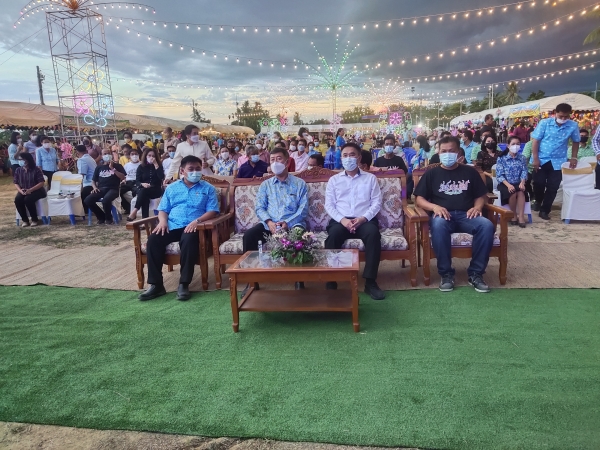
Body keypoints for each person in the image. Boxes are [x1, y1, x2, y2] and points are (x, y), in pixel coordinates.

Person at [414, 136, 494, 293]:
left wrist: (477, 207)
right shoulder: (431, 174)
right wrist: (434, 207)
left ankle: (476, 274)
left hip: (467, 215)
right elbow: (419, 199)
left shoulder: (470, 172)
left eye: (451, 151)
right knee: (438, 225)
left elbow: (481, 196)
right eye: (443, 151)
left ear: (458, 152)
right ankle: (446, 274)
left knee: (486, 225)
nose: (447, 154)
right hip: (443, 216)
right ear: (438, 152)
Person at [139, 155, 220, 302]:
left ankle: (184, 283)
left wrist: (198, 221)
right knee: (153, 239)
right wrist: (162, 222)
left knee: (188, 240)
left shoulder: (208, 188)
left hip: (194, 227)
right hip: (172, 225)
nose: (195, 172)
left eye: (198, 169)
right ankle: (156, 285)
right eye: (191, 169)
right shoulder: (172, 188)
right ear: (182, 171)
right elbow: (163, 209)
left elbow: (213, 210)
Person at [324, 143, 385, 301]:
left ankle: (370, 282)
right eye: (345, 155)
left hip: (364, 220)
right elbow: (329, 205)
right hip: (341, 220)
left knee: (373, 235)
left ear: (359, 157)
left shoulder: (370, 178)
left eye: (352, 155)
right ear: (341, 158)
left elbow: (376, 203)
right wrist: (343, 220)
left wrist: (363, 218)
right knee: (333, 236)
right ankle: (331, 281)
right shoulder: (334, 180)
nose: (348, 158)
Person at [242, 147, 309, 289]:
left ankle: (299, 280)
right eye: (272, 160)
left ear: (287, 162)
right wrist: (269, 222)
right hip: (269, 225)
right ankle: (251, 281)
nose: (275, 162)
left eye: (279, 159)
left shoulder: (299, 184)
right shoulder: (265, 185)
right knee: (249, 236)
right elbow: (259, 207)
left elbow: (303, 210)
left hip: (292, 224)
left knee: (298, 235)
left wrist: (287, 223)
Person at [530, 103, 580, 220]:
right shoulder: (545, 123)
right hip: (541, 159)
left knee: (553, 187)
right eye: (561, 116)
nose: (563, 118)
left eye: (566, 116)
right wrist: (536, 159)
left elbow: (576, 141)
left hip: (558, 161)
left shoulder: (573, 125)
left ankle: (545, 210)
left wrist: (574, 157)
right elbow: (536, 141)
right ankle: (538, 200)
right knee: (538, 183)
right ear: (555, 113)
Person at [85, 148, 126, 225]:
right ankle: (101, 217)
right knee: (88, 200)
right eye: (105, 154)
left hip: (113, 189)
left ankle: (109, 219)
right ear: (101, 156)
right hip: (101, 189)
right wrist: (94, 188)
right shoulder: (99, 167)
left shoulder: (118, 166)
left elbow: (123, 177)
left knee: (106, 200)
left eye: (108, 153)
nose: (107, 155)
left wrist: (113, 169)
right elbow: (93, 181)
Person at [496, 136, 529, 227]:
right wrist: (508, 185)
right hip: (505, 183)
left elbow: (524, 171)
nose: (516, 146)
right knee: (512, 192)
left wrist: (522, 182)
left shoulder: (522, 158)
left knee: (521, 192)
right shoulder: (501, 158)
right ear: (508, 145)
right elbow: (499, 175)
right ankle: (513, 215)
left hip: (518, 182)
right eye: (513, 144)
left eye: (518, 144)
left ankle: (521, 217)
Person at [127, 147, 164, 220]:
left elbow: (161, 177)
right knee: (145, 196)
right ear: (145, 156)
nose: (151, 157)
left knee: (143, 192)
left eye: (153, 156)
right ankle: (145, 220)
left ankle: (135, 211)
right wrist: (142, 184)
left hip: (155, 190)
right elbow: (137, 181)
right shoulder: (141, 167)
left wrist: (156, 164)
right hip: (144, 188)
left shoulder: (159, 166)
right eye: (149, 155)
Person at [13, 152, 47, 227]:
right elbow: (16, 182)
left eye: (22, 159)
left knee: (28, 199)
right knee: (18, 200)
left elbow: (41, 183)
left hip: (37, 190)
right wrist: (20, 190)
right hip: (23, 190)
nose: (21, 161)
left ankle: (34, 219)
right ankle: (25, 220)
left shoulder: (36, 169)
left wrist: (30, 190)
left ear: (27, 160)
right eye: (19, 160)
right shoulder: (18, 170)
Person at [121, 147, 142, 215]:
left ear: (139, 155)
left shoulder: (142, 165)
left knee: (137, 192)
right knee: (118, 192)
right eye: (132, 154)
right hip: (128, 182)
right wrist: (123, 180)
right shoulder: (126, 165)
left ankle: (137, 208)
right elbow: (124, 176)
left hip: (137, 182)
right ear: (129, 156)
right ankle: (127, 208)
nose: (134, 156)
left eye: (136, 154)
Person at [76, 144, 96, 210]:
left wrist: (79, 188)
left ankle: (83, 211)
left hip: (89, 185)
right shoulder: (91, 158)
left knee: (77, 194)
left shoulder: (82, 160)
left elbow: (81, 176)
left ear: (77, 152)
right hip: (94, 184)